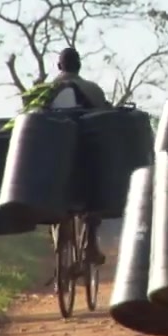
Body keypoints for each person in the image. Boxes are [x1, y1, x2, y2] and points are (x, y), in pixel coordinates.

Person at [47, 47, 112, 265]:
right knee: (93, 197)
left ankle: (58, 242)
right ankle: (90, 245)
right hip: (84, 161)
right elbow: (105, 118)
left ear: (59, 66)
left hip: (54, 161)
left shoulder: (45, 91)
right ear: (79, 66)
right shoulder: (93, 90)